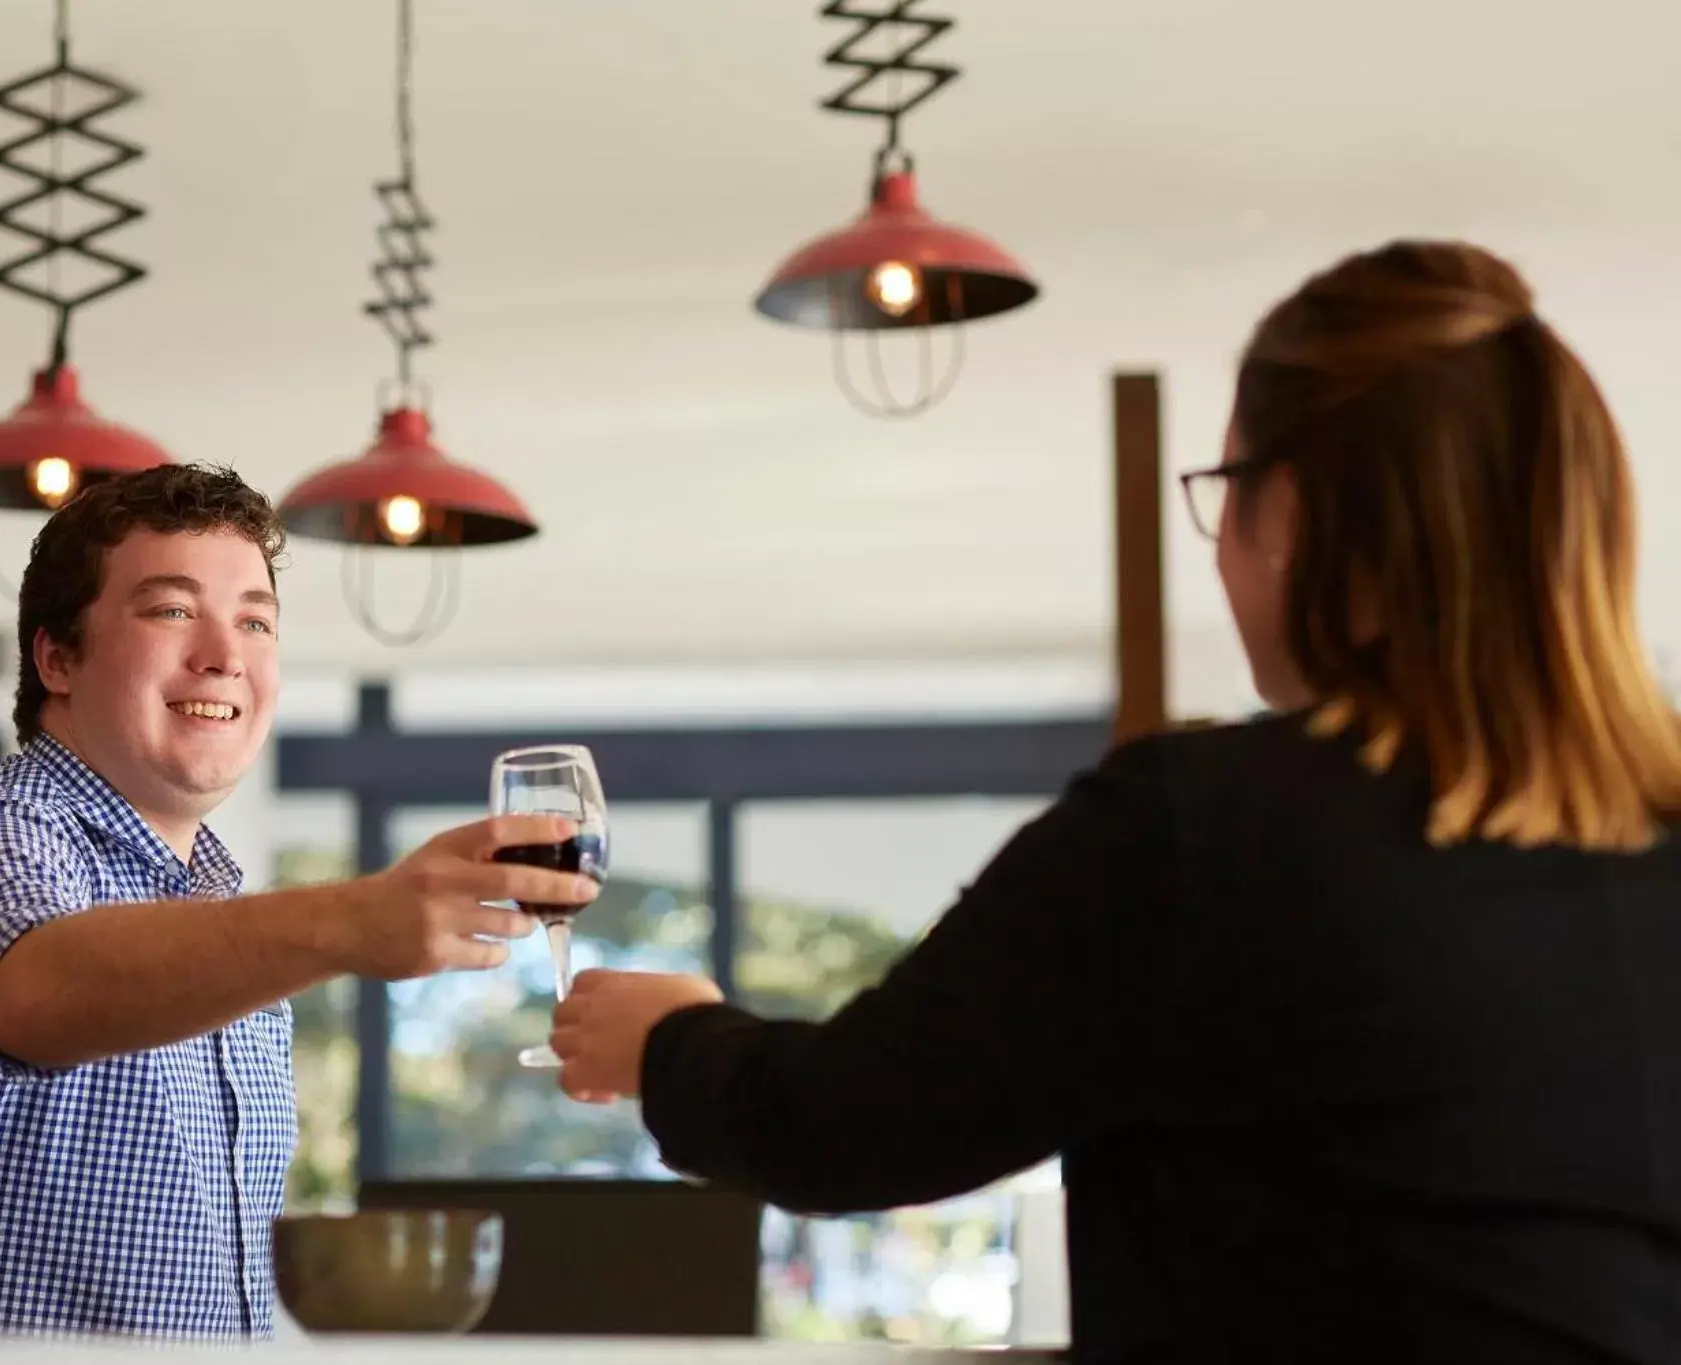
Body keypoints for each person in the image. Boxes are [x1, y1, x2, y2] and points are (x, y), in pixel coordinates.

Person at [551, 241, 1681, 1364]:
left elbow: (846, 1126)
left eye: (1224, 492)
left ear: (1284, 511)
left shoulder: (1207, 833)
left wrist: (669, 1042)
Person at [0, 464, 595, 1340]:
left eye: (255, 620)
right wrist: (354, 919)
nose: (225, 654)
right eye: (172, 610)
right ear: (57, 656)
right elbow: (35, 991)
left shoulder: (224, 919)